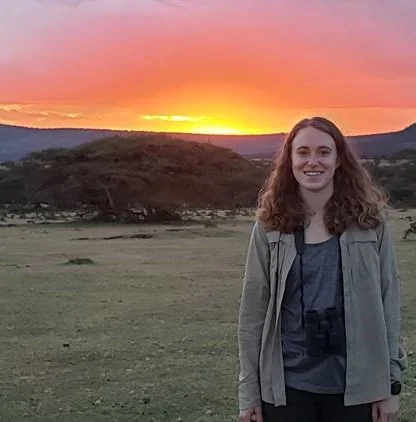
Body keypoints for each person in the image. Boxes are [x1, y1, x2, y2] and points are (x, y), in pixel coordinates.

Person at [237, 117, 407, 422]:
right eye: (302, 152)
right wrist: (249, 392)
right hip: (286, 388)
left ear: (339, 159)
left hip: (358, 386)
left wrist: (390, 385)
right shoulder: (270, 226)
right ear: (289, 160)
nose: (312, 162)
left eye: (324, 152)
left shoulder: (369, 224)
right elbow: (253, 314)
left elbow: (388, 305)